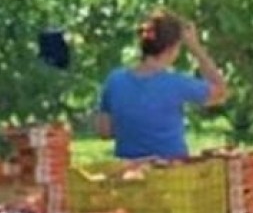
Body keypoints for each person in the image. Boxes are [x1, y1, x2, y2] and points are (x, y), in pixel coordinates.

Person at [97, 9, 227, 159]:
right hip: (171, 173)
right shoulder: (176, 83)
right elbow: (221, 91)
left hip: (129, 173)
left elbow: (104, 131)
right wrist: (195, 48)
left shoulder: (114, 81)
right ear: (172, 48)